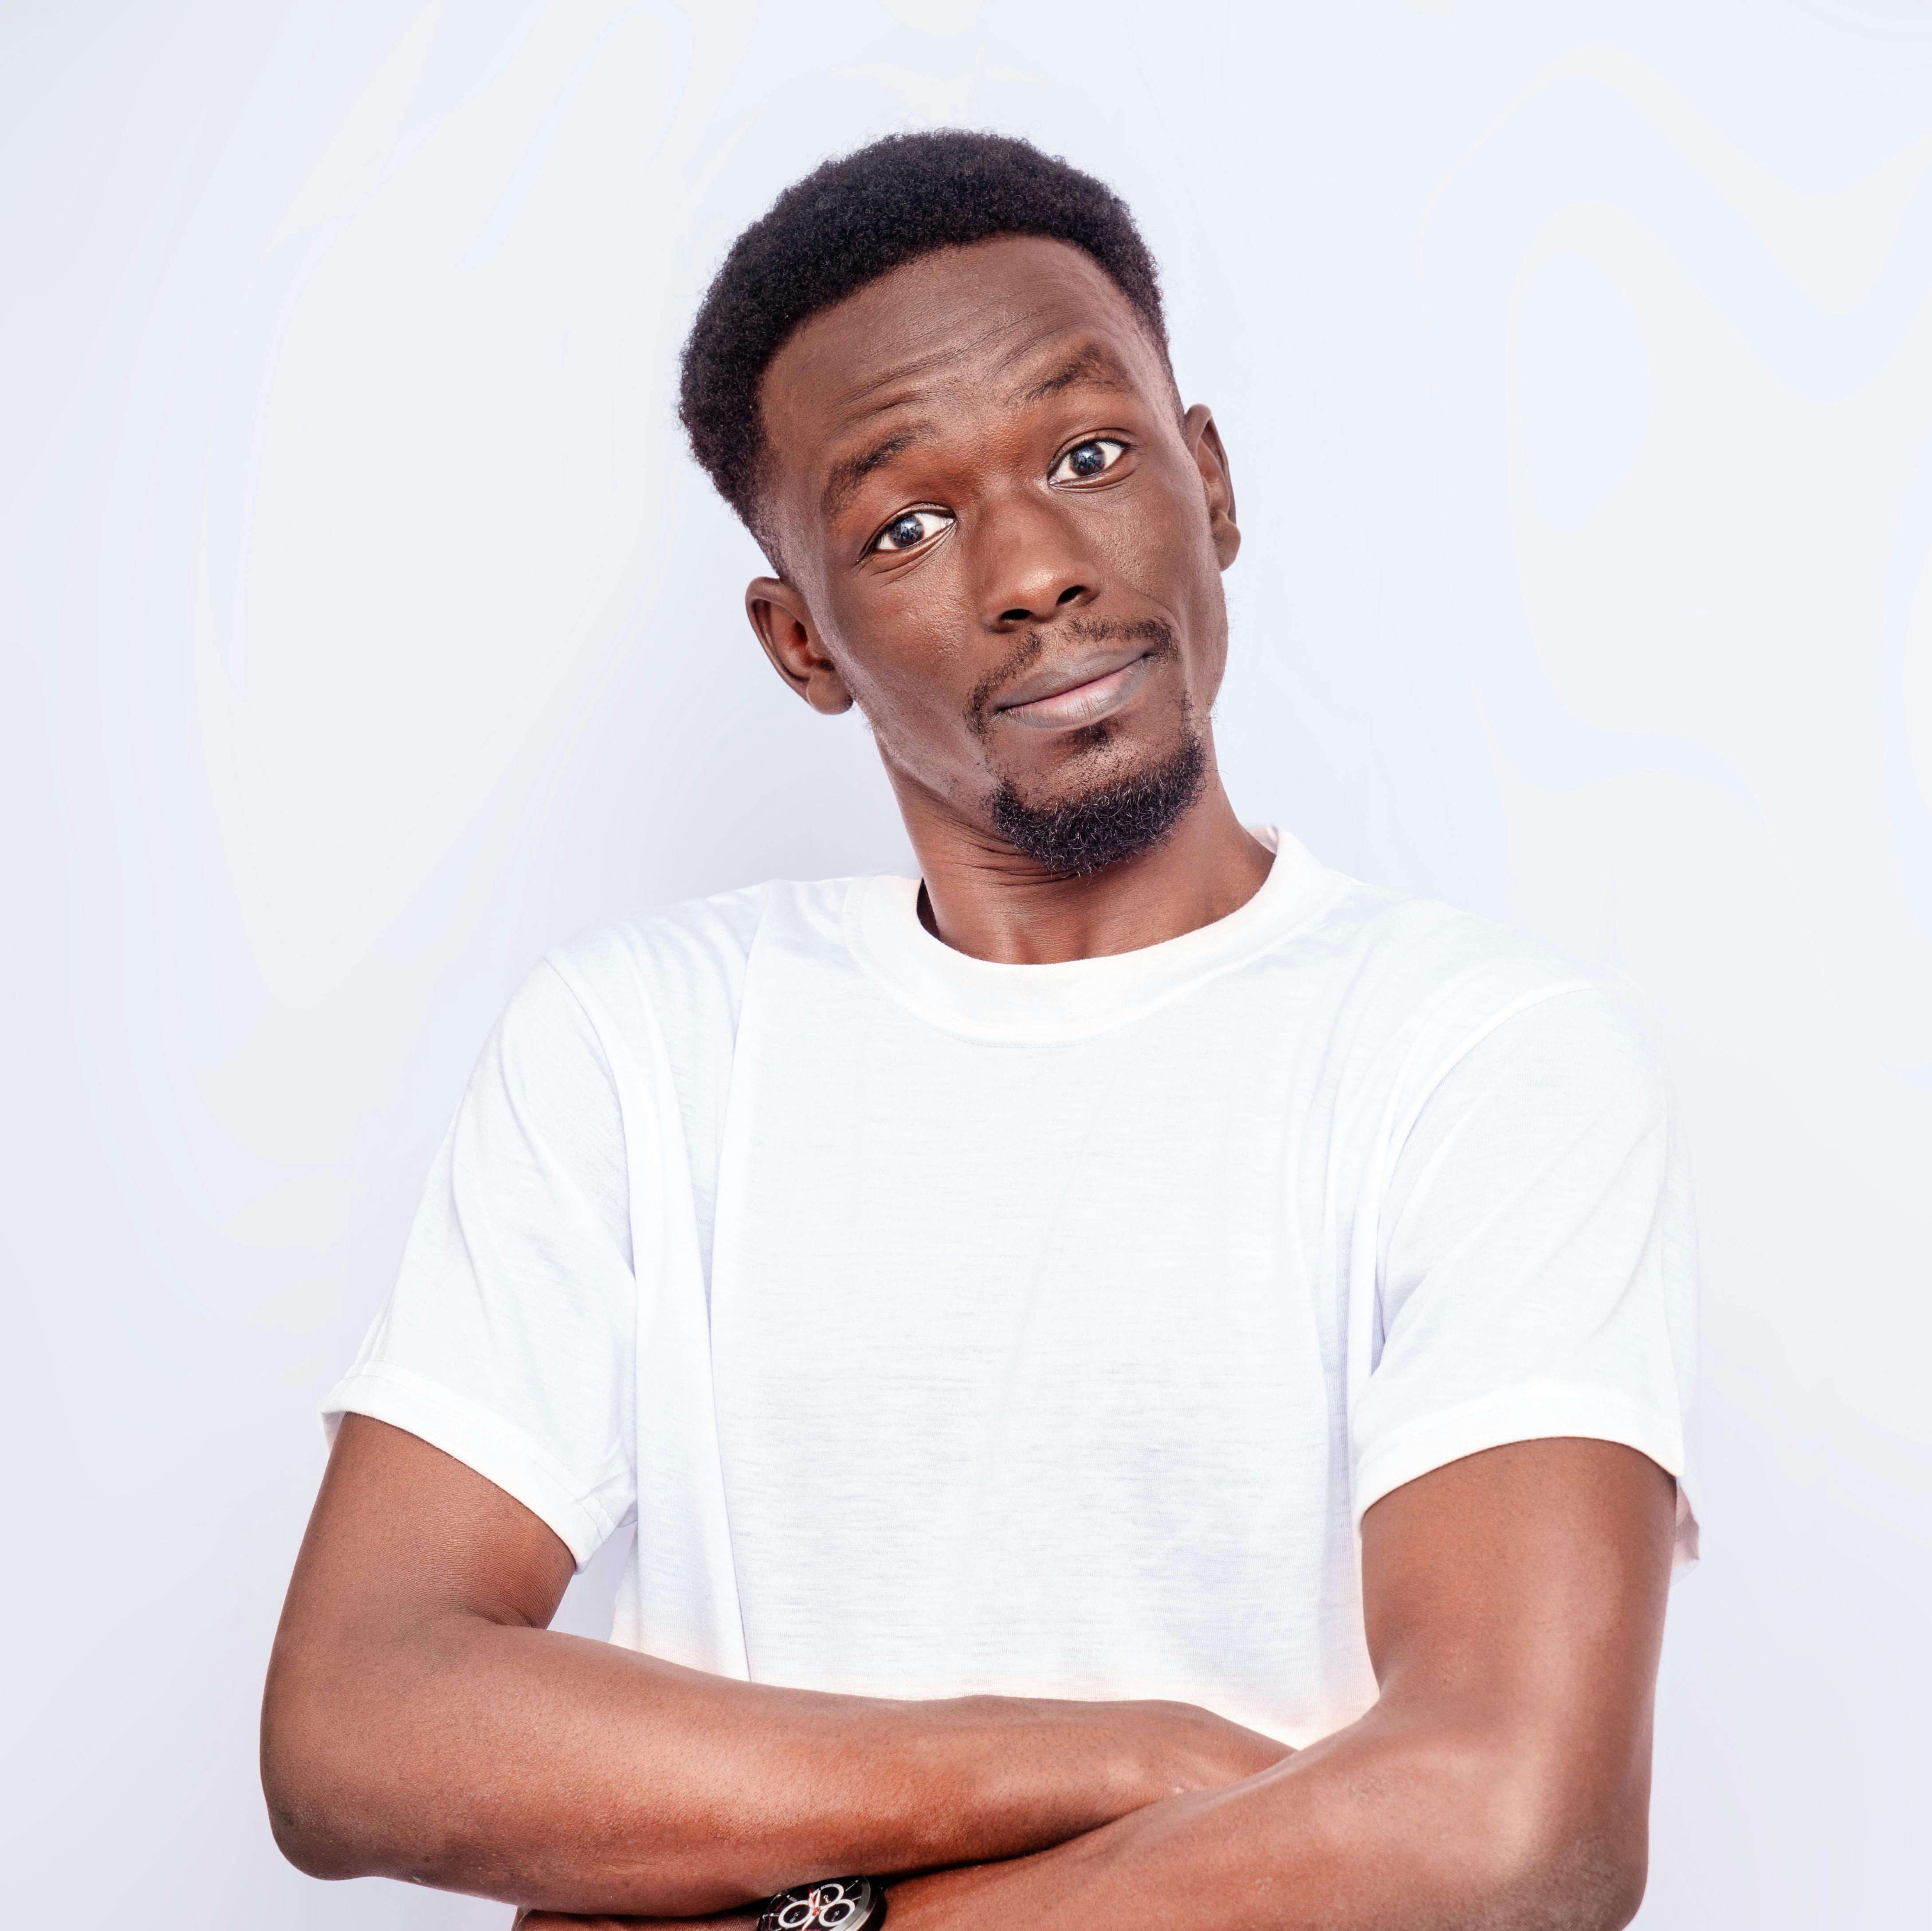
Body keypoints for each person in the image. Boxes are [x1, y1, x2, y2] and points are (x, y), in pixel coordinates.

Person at [262, 131, 1698, 1931]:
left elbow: (1518, 1830)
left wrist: (845, 1922)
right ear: (803, 644)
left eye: (1089, 455)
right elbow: (353, 1728)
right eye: (907, 524)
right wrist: (1126, 1756)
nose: (1032, 568)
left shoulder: (1480, 1058)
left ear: (1213, 486)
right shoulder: (638, 1047)